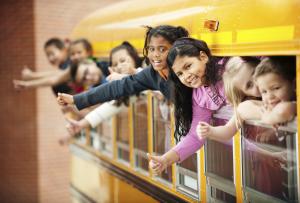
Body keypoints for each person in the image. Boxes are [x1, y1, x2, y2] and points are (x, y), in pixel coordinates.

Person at [148, 55, 263, 175]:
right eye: (180, 74)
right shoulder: (200, 96)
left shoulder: (233, 65)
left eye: (188, 66)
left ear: (202, 57)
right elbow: (196, 137)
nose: (187, 75)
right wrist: (165, 160)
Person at [56, 25, 189, 107]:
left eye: (162, 49)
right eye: (151, 49)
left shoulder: (187, 70)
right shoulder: (152, 74)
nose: (155, 55)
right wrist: (76, 99)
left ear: (176, 49)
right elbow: (115, 88)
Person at [59, 41, 142, 144]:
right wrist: (80, 124)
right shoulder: (116, 84)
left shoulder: (146, 72)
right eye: (115, 64)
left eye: (123, 60)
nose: (120, 66)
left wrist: (130, 74)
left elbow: (147, 80)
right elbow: (110, 106)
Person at [197, 56, 296, 141]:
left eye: (255, 74)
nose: (257, 83)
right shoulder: (257, 103)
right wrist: (210, 131)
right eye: (249, 85)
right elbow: (228, 130)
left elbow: (283, 111)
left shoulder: (287, 94)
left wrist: (268, 117)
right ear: (245, 94)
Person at [13, 38, 93, 92]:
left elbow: (57, 75)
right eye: (72, 54)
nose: (50, 58)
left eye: (52, 54)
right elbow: (55, 78)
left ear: (64, 50)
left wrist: (31, 77)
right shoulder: (70, 66)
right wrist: (28, 84)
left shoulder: (76, 63)